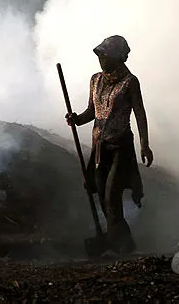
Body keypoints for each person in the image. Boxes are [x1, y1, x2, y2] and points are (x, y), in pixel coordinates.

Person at [65, 35, 153, 254]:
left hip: (120, 147)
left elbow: (140, 114)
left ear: (117, 57)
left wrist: (145, 145)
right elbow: (92, 112)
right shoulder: (95, 80)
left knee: (111, 195)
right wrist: (76, 119)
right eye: (99, 55)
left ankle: (115, 242)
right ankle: (121, 240)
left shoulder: (130, 82)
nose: (101, 59)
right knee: (104, 198)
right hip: (99, 148)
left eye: (105, 55)